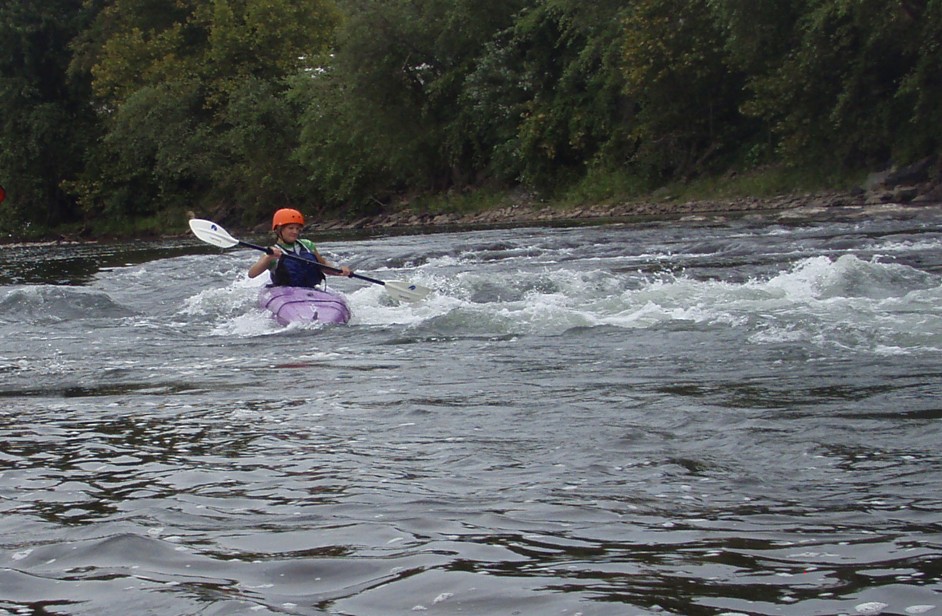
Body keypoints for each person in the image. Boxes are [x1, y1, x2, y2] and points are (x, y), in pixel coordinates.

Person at [248, 208, 353, 287]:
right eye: (291, 228)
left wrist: (339, 271)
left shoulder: (307, 245)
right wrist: (268, 257)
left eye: (298, 228)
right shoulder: (272, 252)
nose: (295, 232)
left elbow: (323, 266)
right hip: (285, 295)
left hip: (311, 291)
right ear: (278, 230)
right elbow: (252, 274)